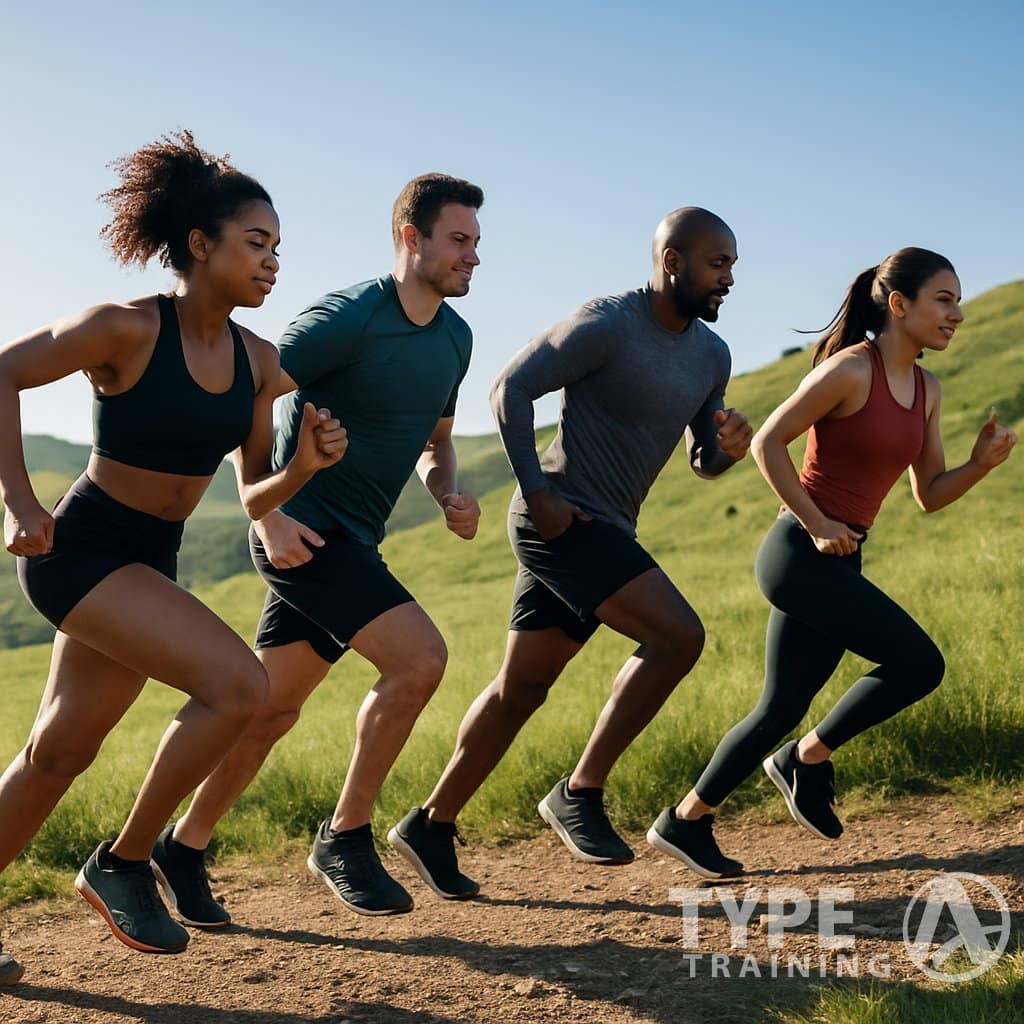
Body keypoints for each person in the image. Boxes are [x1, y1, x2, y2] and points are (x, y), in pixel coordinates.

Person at [0, 130, 346, 972]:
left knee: (59, 753)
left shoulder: (259, 364)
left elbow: (252, 495)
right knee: (239, 687)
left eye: (278, 249)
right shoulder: (120, 329)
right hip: (78, 549)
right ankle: (122, 863)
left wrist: (302, 466)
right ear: (200, 244)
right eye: (255, 244)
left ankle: (108, 866)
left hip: (149, 561)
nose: (272, 264)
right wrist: (19, 501)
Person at [387, 207, 752, 900]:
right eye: (717, 263)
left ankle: (431, 824)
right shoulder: (607, 324)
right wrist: (539, 493)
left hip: (607, 525)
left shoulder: (711, 355)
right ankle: (579, 793)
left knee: (521, 688)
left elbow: (702, 460)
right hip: (560, 517)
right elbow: (510, 388)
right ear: (672, 261)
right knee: (679, 637)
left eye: (733, 264)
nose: (729, 278)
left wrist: (724, 450)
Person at [150, 173, 485, 922]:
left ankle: (183, 846)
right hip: (302, 530)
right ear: (413, 238)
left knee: (271, 710)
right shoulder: (352, 316)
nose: (471, 257)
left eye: (474, 243)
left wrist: (445, 493)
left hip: (351, 540)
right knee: (419, 659)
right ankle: (346, 835)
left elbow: (436, 442)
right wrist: (263, 511)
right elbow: (252, 389)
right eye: (458, 241)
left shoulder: (456, 339)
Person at [646, 248, 1018, 878]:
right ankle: (807, 759)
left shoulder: (926, 389)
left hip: (843, 556)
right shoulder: (852, 369)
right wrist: (818, 524)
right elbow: (768, 441)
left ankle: (684, 822)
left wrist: (980, 466)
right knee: (918, 663)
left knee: (780, 707)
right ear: (899, 305)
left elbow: (928, 495)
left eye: (958, 300)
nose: (958, 314)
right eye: (944, 300)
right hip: (799, 550)